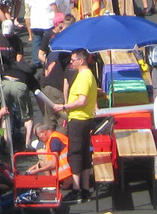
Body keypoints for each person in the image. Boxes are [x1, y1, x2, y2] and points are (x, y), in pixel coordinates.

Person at [56, 49, 99, 202]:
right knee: (85, 153)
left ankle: (76, 189)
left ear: (81, 61)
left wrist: (64, 107)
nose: (71, 62)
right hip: (85, 118)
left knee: (75, 153)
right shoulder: (89, 75)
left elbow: (82, 100)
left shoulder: (83, 77)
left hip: (79, 120)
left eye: (73, 60)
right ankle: (85, 188)